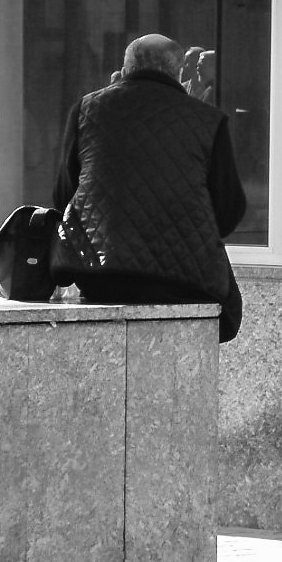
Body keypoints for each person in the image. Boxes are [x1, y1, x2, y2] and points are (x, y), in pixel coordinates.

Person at [52, 33, 246, 342]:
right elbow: (229, 209)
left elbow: (64, 195)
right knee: (230, 310)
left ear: (126, 68)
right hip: (183, 280)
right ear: (178, 72)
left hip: (100, 274)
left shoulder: (86, 109)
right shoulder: (207, 120)